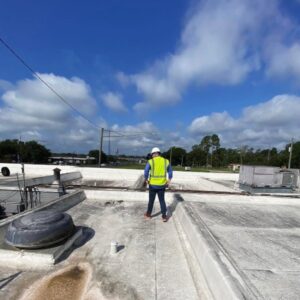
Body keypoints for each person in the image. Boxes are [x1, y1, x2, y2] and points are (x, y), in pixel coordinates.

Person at [144, 147, 173, 222]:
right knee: (162, 200)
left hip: (152, 185)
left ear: (153, 154)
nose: (152, 156)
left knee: (151, 201)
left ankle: (148, 215)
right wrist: (169, 180)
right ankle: (164, 216)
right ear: (159, 153)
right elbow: (170, 171)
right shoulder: (166, 161)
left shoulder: (151, 161)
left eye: (152, 154)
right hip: (162, 185)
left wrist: (146, 179)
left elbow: (146, 171)